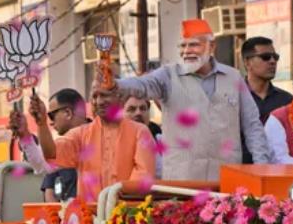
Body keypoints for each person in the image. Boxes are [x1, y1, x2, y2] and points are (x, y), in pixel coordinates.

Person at [111, 19, 272, 179]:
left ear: (212, 46)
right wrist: (112, 84)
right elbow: (142, 84)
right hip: (183, 183)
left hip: (225, 180)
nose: (186, 51)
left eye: (194, 45)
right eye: (182, 46)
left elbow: (252, 126)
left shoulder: (233, 77)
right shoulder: (168, 75)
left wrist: (261, 168)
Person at [24, 81, 155, 203]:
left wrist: (113, 205)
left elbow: (142, 180)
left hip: (127, 215)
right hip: (90, 218)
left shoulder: (140, 132)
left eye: (104, 95)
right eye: (95, 96)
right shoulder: (81, 135)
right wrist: (41, 124)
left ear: (120, 98)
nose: (99, 101)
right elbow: (51, 153)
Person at [18, 88, 86, 203]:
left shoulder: (97, 136)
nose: (51, 122)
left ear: (68, 113)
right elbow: (43, 165)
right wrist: (26, 135)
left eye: (51, 116)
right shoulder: (63, 145)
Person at [242, 36, 292, 163]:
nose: (272, 61)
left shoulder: (286, 100)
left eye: (275, 57)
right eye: (265, 57)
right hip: (241, 172)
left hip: (278, 173)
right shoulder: (233, 98)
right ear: (247, 62)